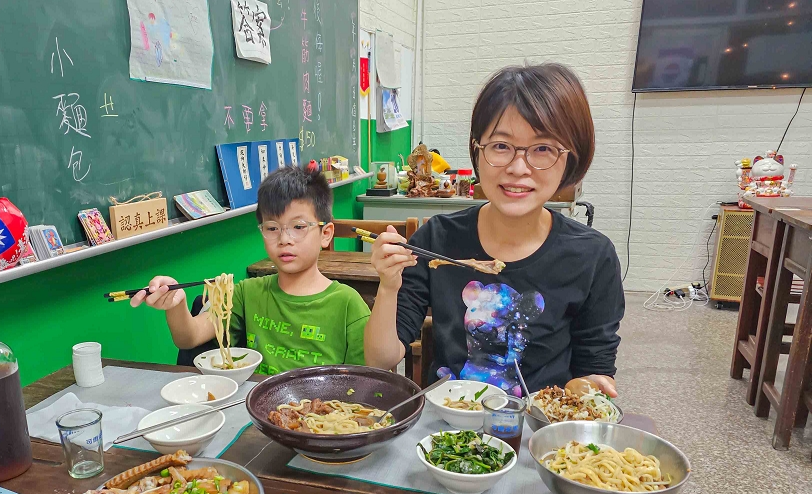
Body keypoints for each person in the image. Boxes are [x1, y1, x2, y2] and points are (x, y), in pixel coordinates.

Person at [364, 64, 624, 397]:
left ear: (570, 158)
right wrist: (388, 286)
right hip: (446, 433)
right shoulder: (437, 239)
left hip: (538, 434)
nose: (518, 168)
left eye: (542, 149)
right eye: (501, 146)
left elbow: (593, 371)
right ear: (477, 149)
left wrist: (586, 387)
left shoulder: (592, 256)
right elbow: (380, 358)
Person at [134, 166, 371, 375]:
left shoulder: (348, 305)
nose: (284, 239)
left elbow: (363, 381)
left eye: (298, 227)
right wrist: (176, 305)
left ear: (325, 234)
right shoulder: (246, 293)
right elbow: (189, 338)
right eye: (272, 228)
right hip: (253, 409)